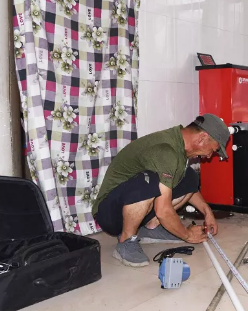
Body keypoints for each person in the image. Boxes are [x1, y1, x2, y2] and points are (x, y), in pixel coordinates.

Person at [93, 114, 231, 267]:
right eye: (213, 150)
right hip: (109, 213)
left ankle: (151, 227)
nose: (210, 155)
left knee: (190, 177)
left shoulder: (179, 146)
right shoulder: (166, 151)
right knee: (149, 181)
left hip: (131, 206)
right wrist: (187, 235)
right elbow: (163, 210)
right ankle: (126, 240)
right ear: (202, 138)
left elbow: (187, 187)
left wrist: (207, 212)